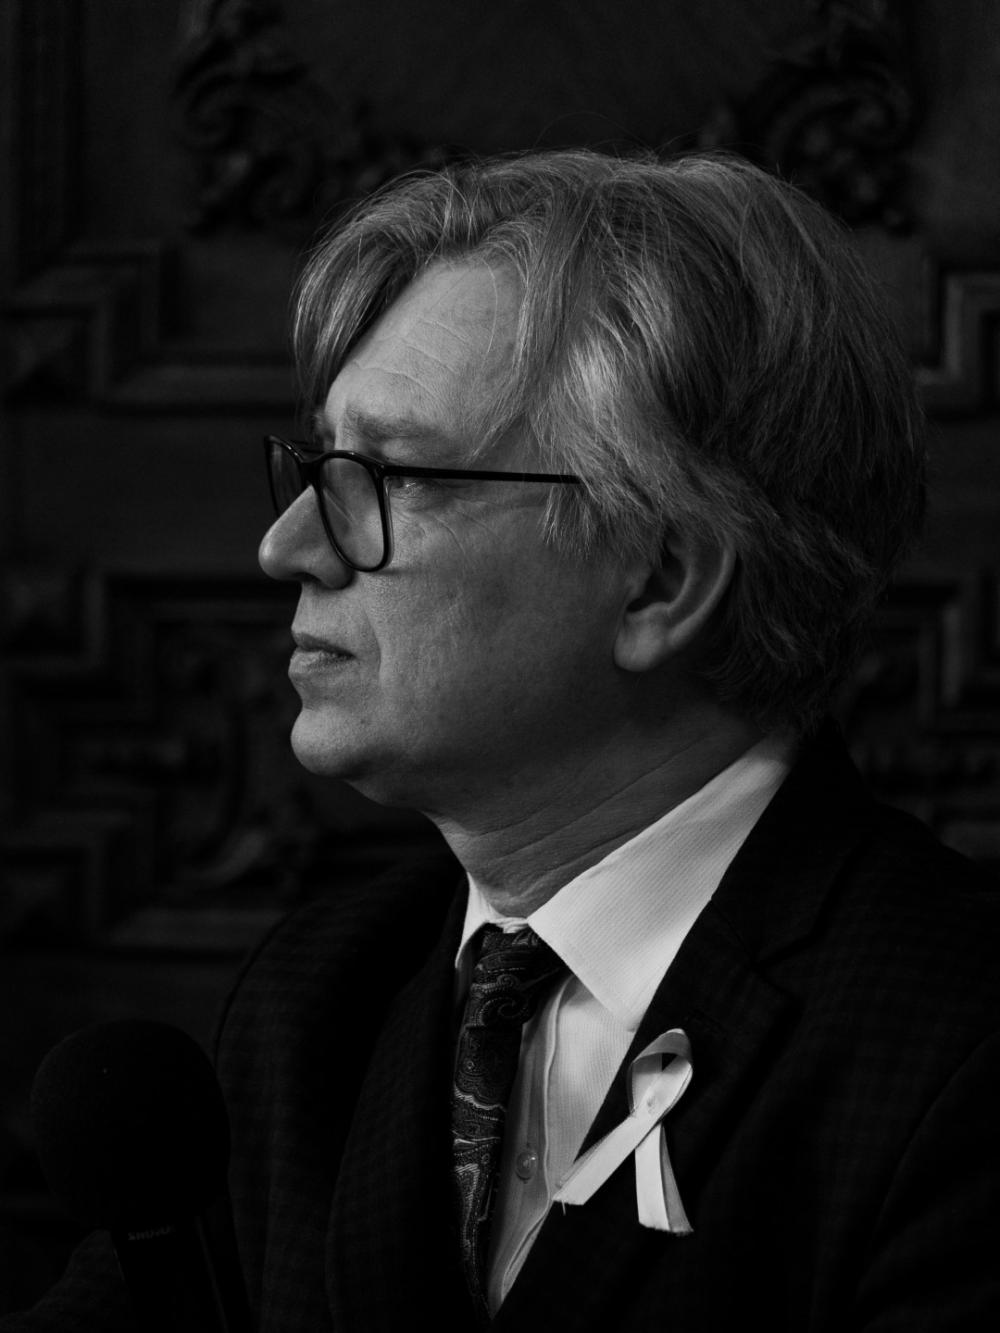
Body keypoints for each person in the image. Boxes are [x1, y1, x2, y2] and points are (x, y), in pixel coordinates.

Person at [5, 149, 999, 1331]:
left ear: (659, 580)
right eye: (318, 467)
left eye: (388, 477)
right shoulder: (315, 1003)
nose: (286, 548)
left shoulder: (962, 1049)